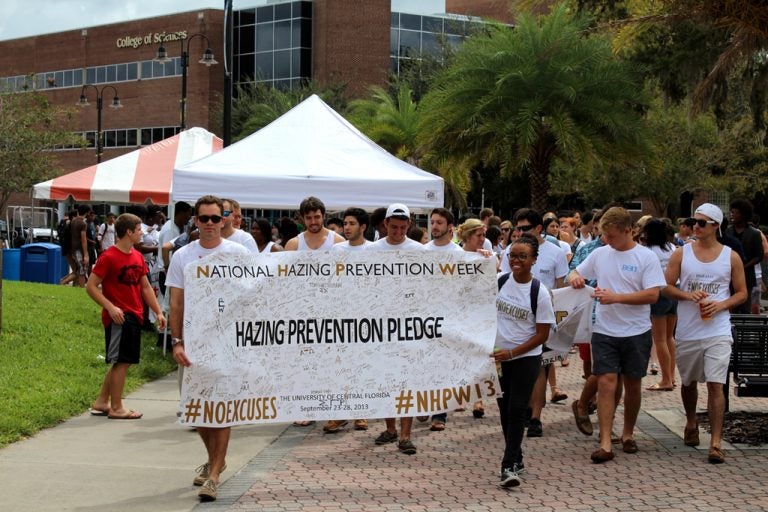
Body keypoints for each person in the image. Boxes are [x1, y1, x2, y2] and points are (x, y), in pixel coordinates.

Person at [166, 195, 250, 501]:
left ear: (226, 219)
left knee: (222, 410)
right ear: (196, 221)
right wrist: (176, 341)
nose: (211, 224)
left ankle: (213, 475)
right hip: (193, 344)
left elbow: (253, 296)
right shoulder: (183, 256)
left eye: (217, 218)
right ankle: (217, 458)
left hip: (228, 343)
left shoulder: (239, 253)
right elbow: (176, 302)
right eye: (205, 219)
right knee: (199, 412)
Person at [568, 207, 666, 463]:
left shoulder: (646, 257)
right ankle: (604, 442)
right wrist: (576, 278)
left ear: (628, 231)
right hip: (604, 330)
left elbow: (653, 294)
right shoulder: (601, 254)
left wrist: (617, 297)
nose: (607, 241)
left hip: (637, 330)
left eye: (611, 236)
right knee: (606, 382)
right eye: (604, 235)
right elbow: (575, 271)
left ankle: (628, 433)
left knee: (633, 384)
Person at [663, 203, 747, 464]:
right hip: (688, 329)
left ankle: (716, 442)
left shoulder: (731, 256)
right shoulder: (681, 254)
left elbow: (742, 292)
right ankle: (690, 422)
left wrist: (721, 304)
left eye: (701, 222)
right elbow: (665, 286)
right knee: (688, 382)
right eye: (693, 221)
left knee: (715, 383)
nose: (695, 227)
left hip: (718, 329)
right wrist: (687, 294)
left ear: (715, 226)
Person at [87, 213, 166, 420]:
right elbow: (91, 286)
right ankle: (117, 407)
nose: (142, 233)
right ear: (129, 232)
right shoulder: (109, 256)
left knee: (122, 361)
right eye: (139, 230)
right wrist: (110, 307)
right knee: (121, 361)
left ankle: (102, 402)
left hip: (134, 315)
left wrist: (158, 311)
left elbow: (146, 287)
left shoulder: (137, 256)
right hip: (119, 317)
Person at [493, 233, 555, 488]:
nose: (516, 260)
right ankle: (516, 456)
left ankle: (508, 466)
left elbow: (542, 335)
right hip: (499, 358)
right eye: (512, 256)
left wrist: (513, 352)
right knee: (504, 409)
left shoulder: (539, 292)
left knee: (518, 409)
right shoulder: (499, 282)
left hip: (526, 358)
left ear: (533, 260)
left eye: (522, 256)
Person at [369, 203, 425, 454]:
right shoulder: (372, 251)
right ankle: (390, 429)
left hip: (409, 325)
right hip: (379, 325)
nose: (398, 232)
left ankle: (405, 435)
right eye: (394, 227)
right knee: (384, 380)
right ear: (385, 224)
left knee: (407, 381)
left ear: (409, 226)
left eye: (403, 228)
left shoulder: (418, 251)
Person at [285, 196, 345, 430]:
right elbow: (285, 281)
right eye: (309, 217)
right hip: (303, 311)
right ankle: (306, 408)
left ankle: (333, 408)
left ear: (323, 216)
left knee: (332, 361)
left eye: (317, 217)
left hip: (332, 310)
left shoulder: (338, 242)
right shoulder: (293, 244)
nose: (313, 221)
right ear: (302, 218)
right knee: (304, 361)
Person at [641, 219, 678, 391]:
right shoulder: (672, 248)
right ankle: (671, 376)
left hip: (659, 292)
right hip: (674, 291)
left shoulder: (647, 252)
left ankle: (666, 380)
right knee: (670, 337)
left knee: (660, 339)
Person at [69, 204, 91, 287]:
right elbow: (83, 240)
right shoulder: (83, 223)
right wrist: (86, 254)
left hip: (74, 248)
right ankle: (81, 288)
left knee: (79, 269)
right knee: (82, 270)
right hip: (80, 249)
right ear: (87, 213)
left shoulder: (73, 221)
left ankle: (63, 282)